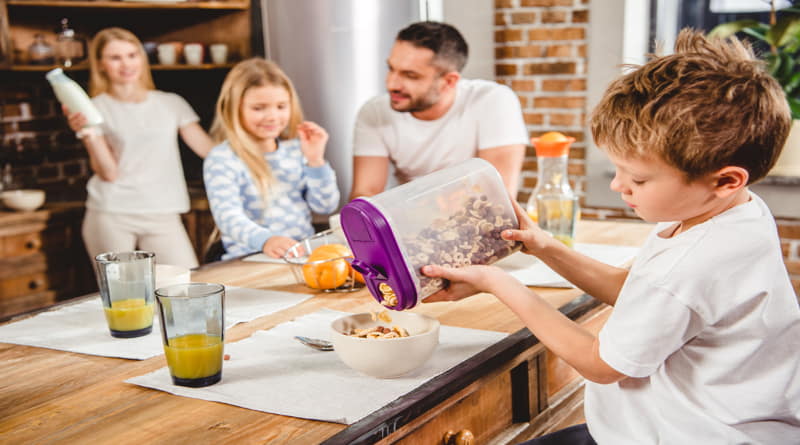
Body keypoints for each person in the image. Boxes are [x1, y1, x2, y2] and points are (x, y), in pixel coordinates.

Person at [421, 29, 800, 444]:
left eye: (637, 177)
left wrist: (499, 283)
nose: (619, 186)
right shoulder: (731, 212)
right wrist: (545, 246)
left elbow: (600, 364)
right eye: (617, 169)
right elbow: (638, 290)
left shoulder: (691, 264)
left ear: (724, 179)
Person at [65, 27, 214, 269]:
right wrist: (87, 134)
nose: (126, 64)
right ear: (100, 64)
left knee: (183, 283)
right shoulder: (94, 108)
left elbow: (209, 150)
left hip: (163, 211)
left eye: (132, 55)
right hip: (113, 212)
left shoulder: (171, 103)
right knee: (121, 293)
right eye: (115, 58)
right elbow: (108, 172)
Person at [349, 21, 528, 200]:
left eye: (410, 75)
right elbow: (365, 194)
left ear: (449, 81)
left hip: (475, 220)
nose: (391, 84)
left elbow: (497, 195)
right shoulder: (374, 112)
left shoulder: (492, 100)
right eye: (391, 69)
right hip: (409, 221)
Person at [203, 58, 339, 260]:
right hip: (251, 259)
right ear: (234, 108)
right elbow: (228, 217)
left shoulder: (296, 149)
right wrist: (266, 240)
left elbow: (325, 206)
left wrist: (315, 160)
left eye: (281, 106)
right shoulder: (222, 159)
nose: (272, 116)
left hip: (302, 257)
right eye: (259, 108)